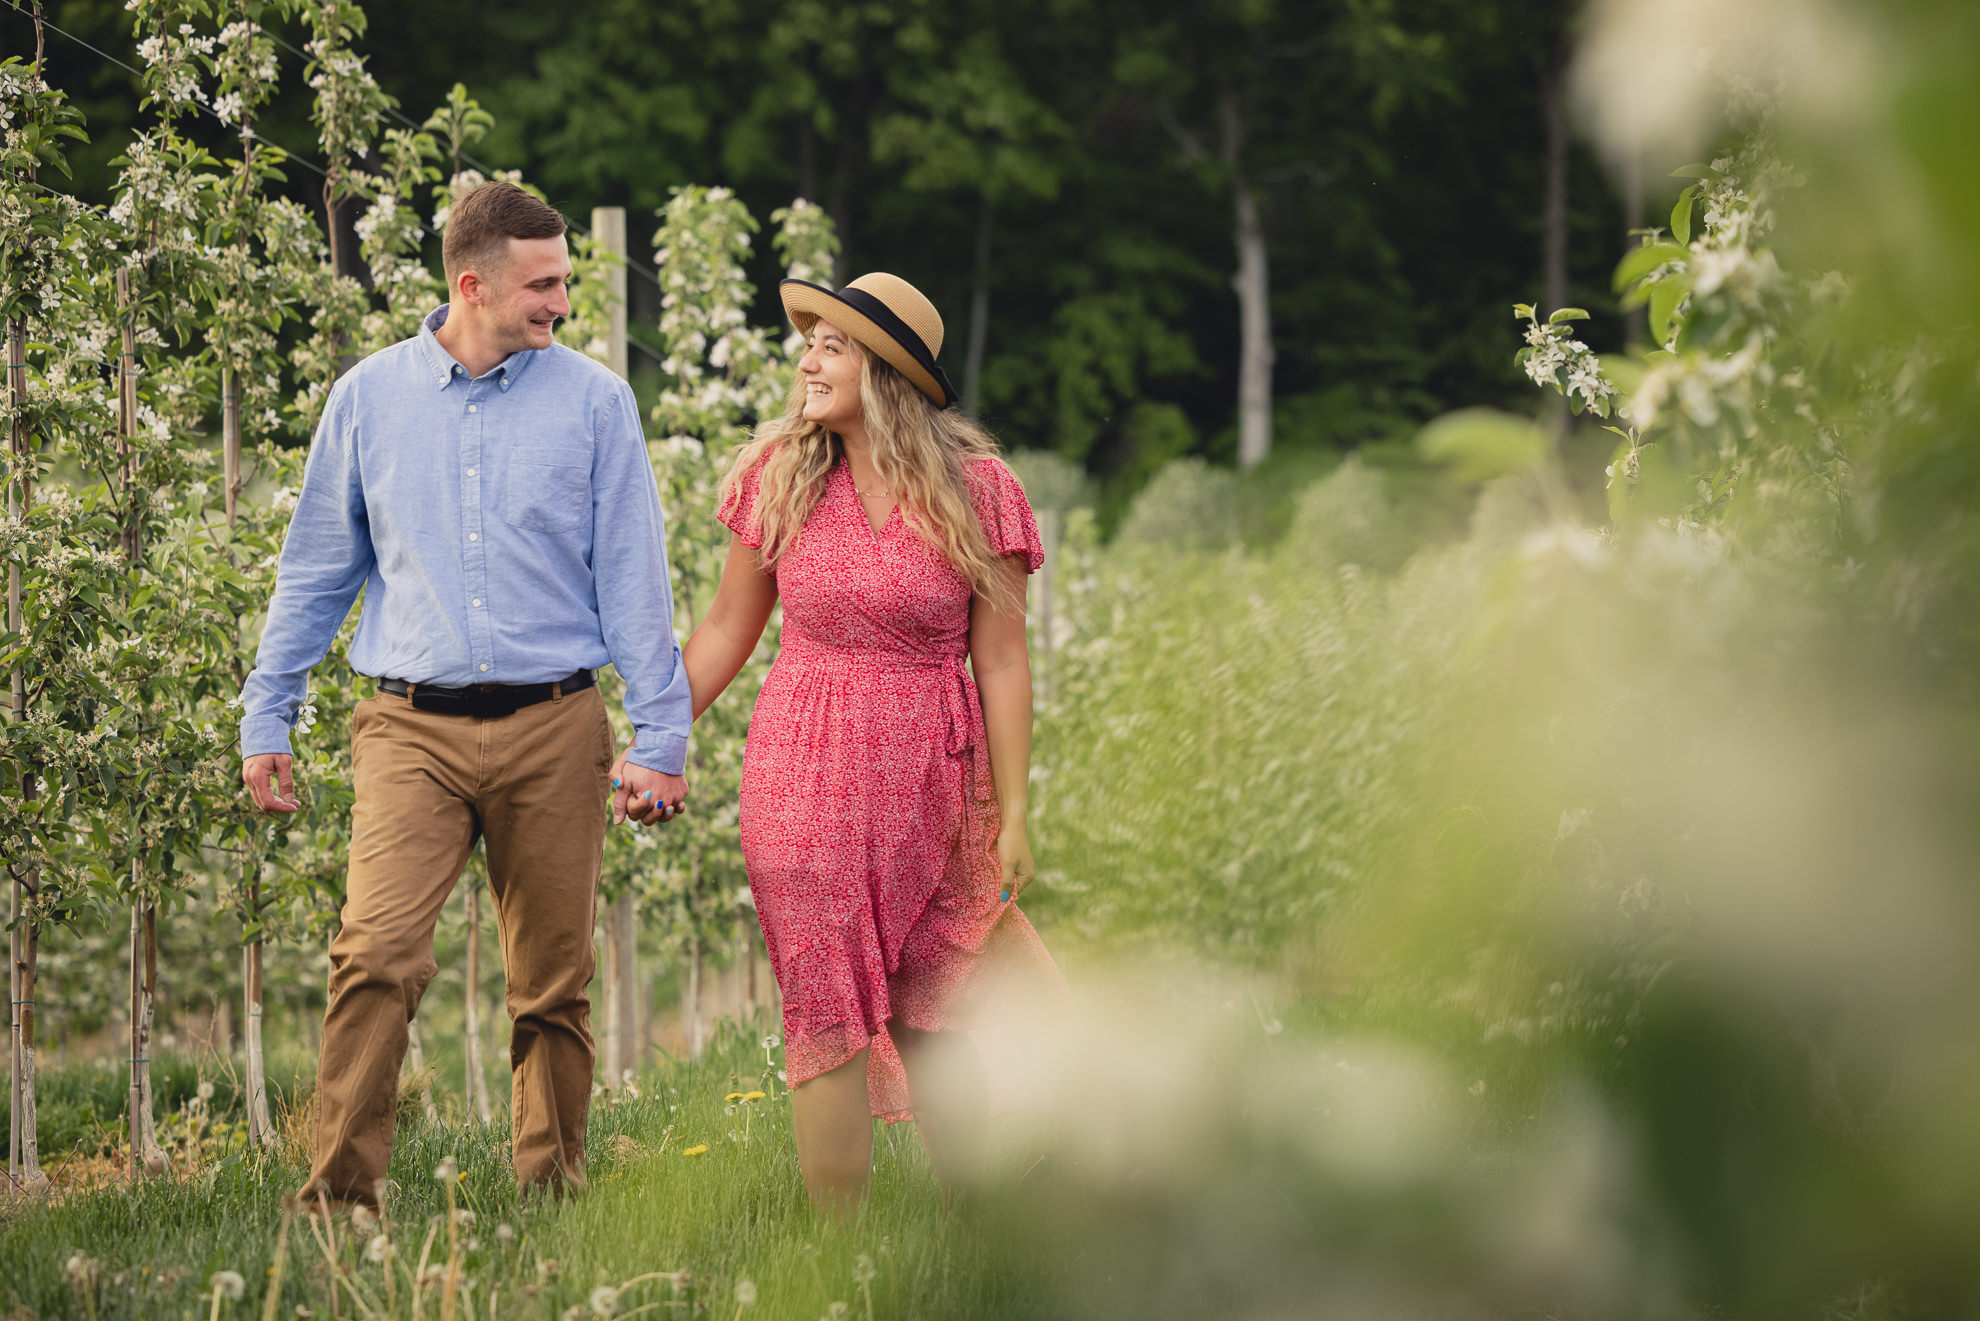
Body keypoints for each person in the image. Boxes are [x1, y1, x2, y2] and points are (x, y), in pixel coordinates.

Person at [238, 181, 692, 1212]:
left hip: (556, 721)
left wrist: (663, 734)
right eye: (544, 285)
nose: (563, 305)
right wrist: (271, 712)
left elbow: (633, 577)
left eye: (568, 281)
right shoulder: (367, 399)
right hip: (409, 728)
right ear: (471, 282)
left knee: (552, 984)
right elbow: (315, 571)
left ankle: (551, 1191)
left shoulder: (594, 404)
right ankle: (341, 1200)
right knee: (377, 955)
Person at [616, 272, 1061, 1213]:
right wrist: (656, 740)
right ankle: (835, 1260)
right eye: (808, 340)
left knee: (933, 1005)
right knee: (826, 1010)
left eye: (832, 344)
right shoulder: (780, 475)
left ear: (886, 370)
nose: (807, 360)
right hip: (803, 771)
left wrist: (1016, 811)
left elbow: (1005, 663)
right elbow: (729, 629)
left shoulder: (981, 492)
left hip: (939, 782)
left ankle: (974, 1224)